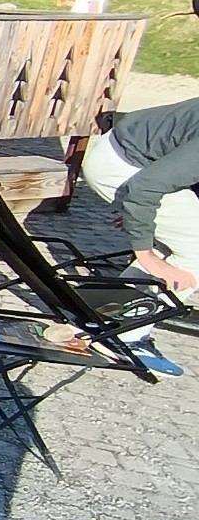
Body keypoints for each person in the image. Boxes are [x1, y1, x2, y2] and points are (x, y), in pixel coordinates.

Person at [81, 98, 199, 376]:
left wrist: (146, 218)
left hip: (135, 159)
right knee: (196, 248)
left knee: (181, 232)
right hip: (126, 167)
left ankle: (105, 312)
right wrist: (145, 250)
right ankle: (126, 336)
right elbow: (146, 186)